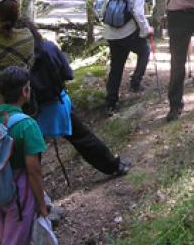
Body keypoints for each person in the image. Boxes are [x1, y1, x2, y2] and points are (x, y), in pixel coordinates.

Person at [20, 19, 132, 176]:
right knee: (84, 139)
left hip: (32, 113)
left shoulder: (17, 60)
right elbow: (68, 74)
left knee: (32, 153)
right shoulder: (49, 48)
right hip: (58, 105)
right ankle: (113, 166)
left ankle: (30, 193)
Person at [0, 67, 49, 244]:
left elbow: (2, 110)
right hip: (18, 192)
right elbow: (33, 171)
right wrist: (42, 204)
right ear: (25, 91)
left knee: (5, 235)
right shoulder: (28, 126)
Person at [102, 0, 152, 115]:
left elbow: (103, 11)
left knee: (116, 67)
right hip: (129, 34)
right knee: (144, 51)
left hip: (111, 35)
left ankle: (111, 103)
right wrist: (146, 31)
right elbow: (139, 15)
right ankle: (135, 82)